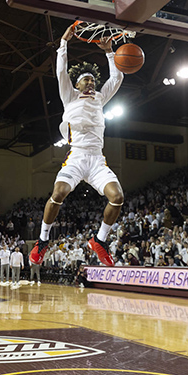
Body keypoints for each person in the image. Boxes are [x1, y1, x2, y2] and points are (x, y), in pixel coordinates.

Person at [30, 25, 125, 267]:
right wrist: (64, 43)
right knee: (58, 193)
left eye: (93, 79)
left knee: (117, 198)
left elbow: (117, 77)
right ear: (78, 84)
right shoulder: (69, 96)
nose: (91, 83)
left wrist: (109, 52)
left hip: (96, 160)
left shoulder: (101, 98)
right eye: (86, 80)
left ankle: (99, 241)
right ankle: (42, 240)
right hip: (76, 157)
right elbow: (61, 70)